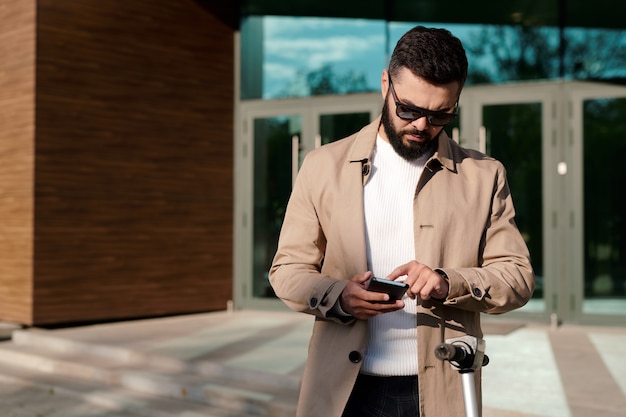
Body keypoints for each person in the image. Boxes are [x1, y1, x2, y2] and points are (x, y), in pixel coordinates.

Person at [269, 26, 535, 417]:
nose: (422, 126)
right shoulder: (322, 167)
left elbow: (517, 276)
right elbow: (287, 270)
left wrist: (448, 282)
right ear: (385, 85)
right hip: (343, 392)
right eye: (408, 109)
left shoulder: (484, 175)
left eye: (441, 114)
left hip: (441, 391)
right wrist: (338, 295)